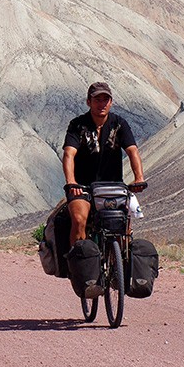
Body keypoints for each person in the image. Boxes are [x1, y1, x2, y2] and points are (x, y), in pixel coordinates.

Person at [61, 81, 145, 244]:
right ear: (88, 102)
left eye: (105, 99)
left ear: (111, 102)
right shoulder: (78, 125)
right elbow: (69, 154)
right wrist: (71, 182)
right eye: (97, 99)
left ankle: (122, 265)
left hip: (113, 187)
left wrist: (139, 178)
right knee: (79, 221)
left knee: (123, 229)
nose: (102, 104)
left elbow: (132, 151)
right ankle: (78, 263)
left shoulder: (119, 124)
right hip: (83, 187)